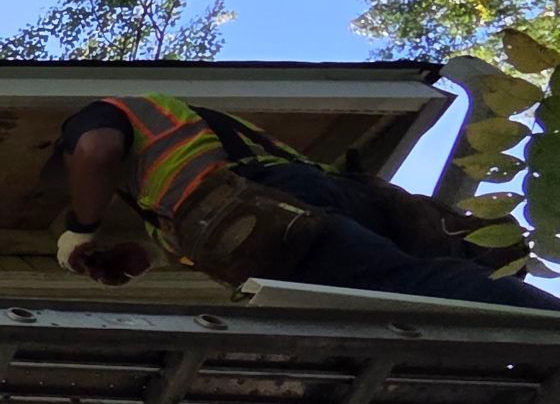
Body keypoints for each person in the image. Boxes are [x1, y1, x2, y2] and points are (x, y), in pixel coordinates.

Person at [53, 92, 560, 312]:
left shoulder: (100, 118)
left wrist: (80, 226)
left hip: (272, 211)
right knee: (429, 272)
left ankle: (541, 327)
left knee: (410, 288)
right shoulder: (160, 175)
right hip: (315, 196)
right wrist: (126, 255)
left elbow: (95, 152)